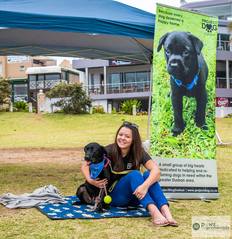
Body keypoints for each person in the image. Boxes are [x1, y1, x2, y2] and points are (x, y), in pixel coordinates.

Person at [81, 121, 178, 227]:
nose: (122, 138)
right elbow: (85, 165)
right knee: (135, 174)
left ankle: (166, 212)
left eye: (127, 136)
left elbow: (156, 171)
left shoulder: (138, 152)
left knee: (148, 174)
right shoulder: (108, 150)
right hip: (116, 196)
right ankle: (154, 213)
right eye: (120, 134)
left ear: (133, 140)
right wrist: (91, 181)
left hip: (136, 196)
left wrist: (145, 186)